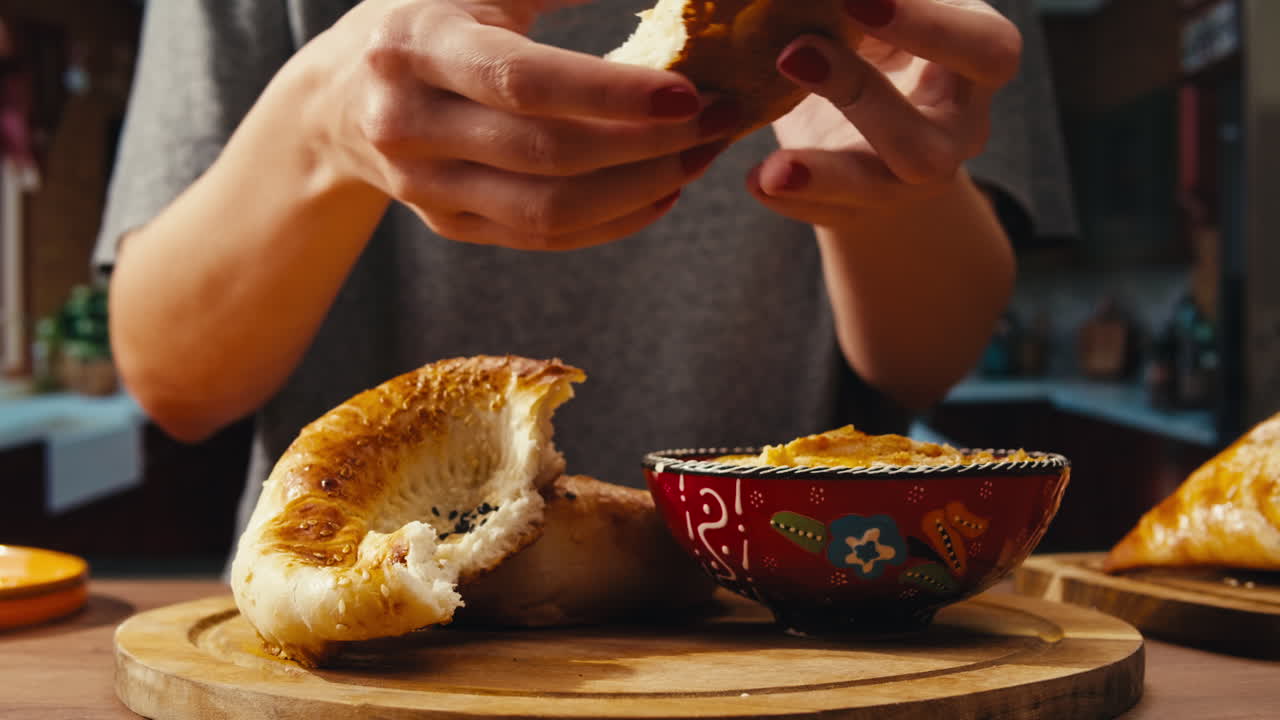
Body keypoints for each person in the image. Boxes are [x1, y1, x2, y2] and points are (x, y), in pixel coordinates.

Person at [94, 0, 1075, 544]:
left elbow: (925, 360)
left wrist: (893, 189)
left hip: (782, 637)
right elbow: (176, 378)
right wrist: (319, 130)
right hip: (357, 636)